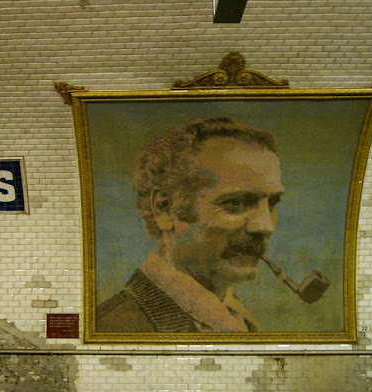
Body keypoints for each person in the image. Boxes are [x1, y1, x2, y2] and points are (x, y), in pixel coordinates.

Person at [96, 117, 284, 333]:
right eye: (236, 202)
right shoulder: (110, 327)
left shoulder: (236, 317)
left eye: (272, 203)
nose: (265, 227)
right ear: (165, 208)